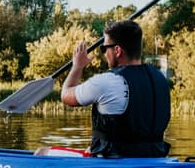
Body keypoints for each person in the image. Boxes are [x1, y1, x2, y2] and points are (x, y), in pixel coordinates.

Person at [38, 20, 170, 158]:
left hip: (112, 164)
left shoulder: (107, 81)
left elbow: (65, 95)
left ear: (117, 50)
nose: (104, 54)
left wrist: (77, 66)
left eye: (104, 48)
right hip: (155, 159)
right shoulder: (160, 79)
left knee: (41, 153)